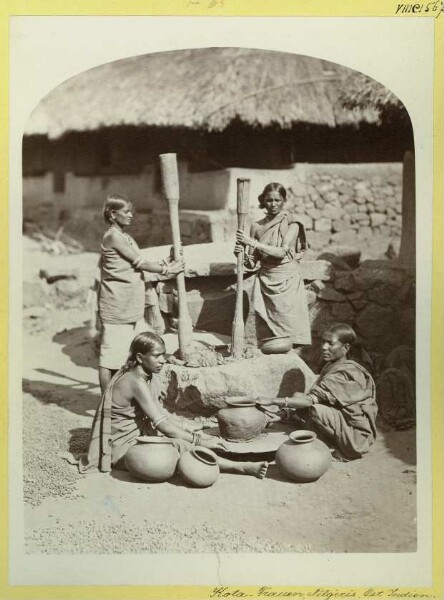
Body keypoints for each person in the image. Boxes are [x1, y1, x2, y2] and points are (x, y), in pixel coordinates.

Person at [80, 331, 268, 479]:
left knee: (185, 437)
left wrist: (191, 431)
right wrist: (199, 440)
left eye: (163, 354)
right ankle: (241, 467)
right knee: (181, 446)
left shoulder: (142, 374)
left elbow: (157, 414)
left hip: (136, 434)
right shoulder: (135, 381)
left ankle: (227, 460)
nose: (163, 360)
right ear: (139, 357)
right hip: (122, 448)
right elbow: (161, 423)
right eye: (156, 356)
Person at [98, 194, 184, 393]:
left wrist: (166, 262)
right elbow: (141, 263)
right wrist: (168, 270)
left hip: (129, 305)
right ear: (113, 214)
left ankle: (130, 396)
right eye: (126, 212)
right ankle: (107, 403)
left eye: (131, 212)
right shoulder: (113, 236)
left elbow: (139, 260)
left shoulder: (125, 236)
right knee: (110, 358)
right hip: (117, 304)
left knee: (139, 347)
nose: (131, 216)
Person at [258, 323, 378, 460]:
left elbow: (311, 401)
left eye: (330, 343)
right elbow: (313, 397)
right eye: (323, 342)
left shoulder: (347, 373)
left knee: (316, 411)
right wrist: (284, 413)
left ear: (345, 348)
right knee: (299, 397)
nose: (324, 347)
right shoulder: (331, 364)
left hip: (355, 433)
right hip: (339, 418)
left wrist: (272, 400)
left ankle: (328, 446)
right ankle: (321, 438)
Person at [235, 182, 311, 347]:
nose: (273, 204)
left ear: (284, 201)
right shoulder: (256, 227)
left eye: (278, 200)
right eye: (269, 200)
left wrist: (253, 243)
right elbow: (251, 263)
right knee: (268, 331)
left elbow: (281, 252)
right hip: (265, 282)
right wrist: (240, 253)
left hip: (288, 281)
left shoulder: (293, 224)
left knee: (291, 331)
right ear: (263, 201)